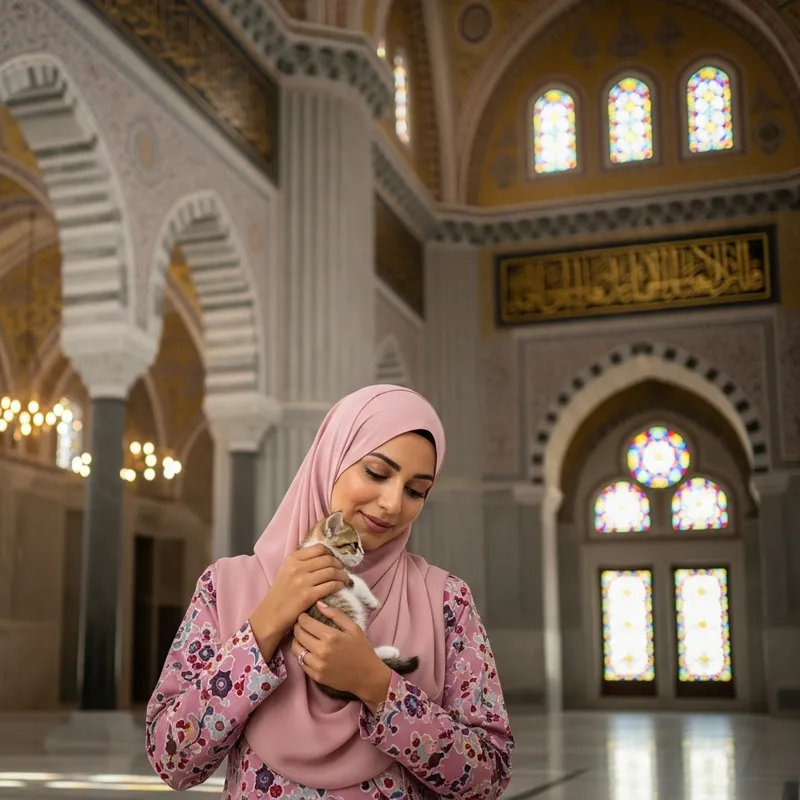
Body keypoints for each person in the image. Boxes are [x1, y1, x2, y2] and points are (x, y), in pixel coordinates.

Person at [146, 385, 514, 798]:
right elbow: (172, 760)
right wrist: (265, 625)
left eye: (416, 490)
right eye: (376, 472)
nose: (393, 504)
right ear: (331, 459)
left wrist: (376, 685)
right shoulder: (227, 586)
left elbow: (488, 778)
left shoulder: (445, 599)